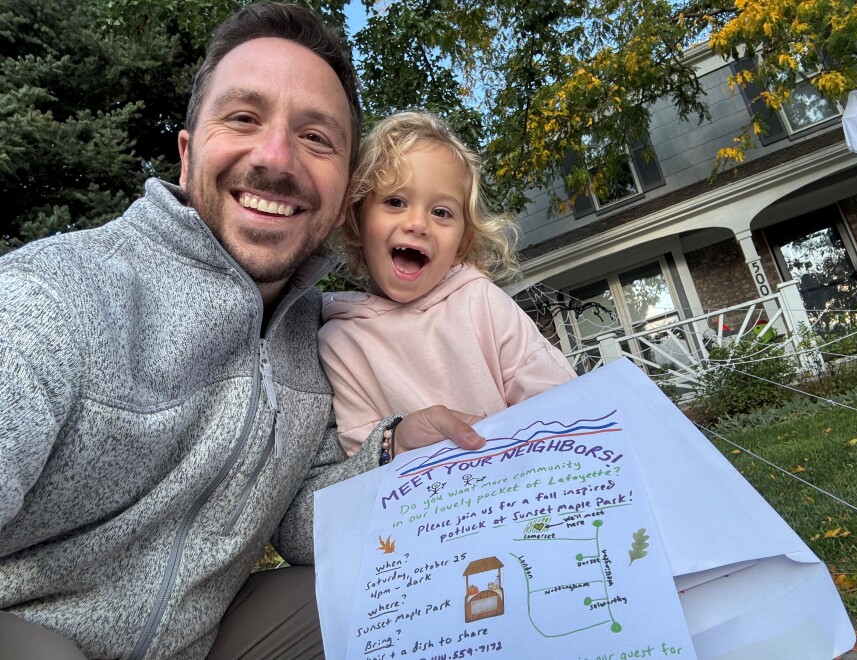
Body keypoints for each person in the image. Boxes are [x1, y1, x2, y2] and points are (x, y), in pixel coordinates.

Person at [0, 5, 483, 659]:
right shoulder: (54, 298)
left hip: (201, 641)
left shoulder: (314, 334)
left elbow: (303, 528)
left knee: (398, 592)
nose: (276, 158)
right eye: (244, 118)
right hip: (28, 629)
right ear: (188, 152)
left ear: (344, 195)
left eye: (317, 138)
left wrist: (390, 450)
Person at [318, 111, 577, 456]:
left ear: (462, 245)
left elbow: (555, 394)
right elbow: (361, 455)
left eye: (441, 212)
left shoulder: (481, 302)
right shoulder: (341, 341)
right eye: (395, 202)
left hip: (527, 486)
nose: (417, 223)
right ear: (354, 225)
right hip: (426, 504)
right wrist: (394, 441)